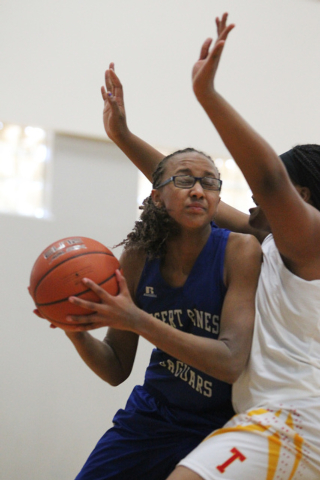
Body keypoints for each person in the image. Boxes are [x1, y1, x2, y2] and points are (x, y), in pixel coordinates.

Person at [101, 13, 320, 480]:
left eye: (265, 199)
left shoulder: (310, 245)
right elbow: (180, 185)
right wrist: (122, 136)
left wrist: (207, 95)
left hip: (294, 420)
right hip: (264, 421)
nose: (252, 201)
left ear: (298, 200)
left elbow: (268, 180)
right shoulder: (271, 245)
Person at [38, 145, 260, 479]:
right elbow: (116, 367)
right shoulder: (138, 257)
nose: (199, 191)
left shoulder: (240, 250)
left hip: (221, 425)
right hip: (153, 415)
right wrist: (75, 329)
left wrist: (136, 319)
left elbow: (229, 362)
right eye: (185, 180)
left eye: (210, 183)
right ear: (157, 197)